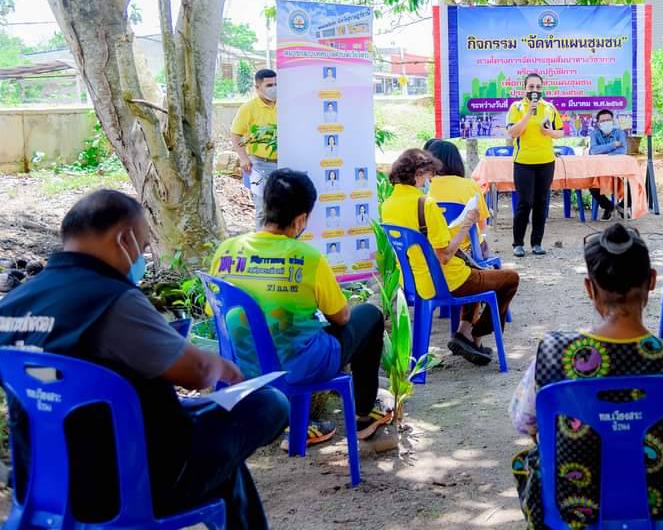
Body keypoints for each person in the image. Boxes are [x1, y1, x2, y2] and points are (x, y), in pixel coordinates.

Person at [0, 190, 288, 529]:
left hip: (41, 482)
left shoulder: (13, 305)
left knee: (217, 454)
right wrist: (223, 368)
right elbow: (196, 373)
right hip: (132, 484)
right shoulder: (111, 299)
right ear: (124, 239)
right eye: (144, 246)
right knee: (268, 402)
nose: (142, 256)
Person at [509, 223, 663, 529]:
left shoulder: (552, 354)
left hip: (574, 506)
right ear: (652, 281)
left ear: (589, 288)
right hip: (660, 504)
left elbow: (523, 421)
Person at [211, 170, 393, 451]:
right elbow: (342, 317)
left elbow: (218, 315)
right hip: (297, 368)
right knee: (369, 316)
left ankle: (298, 424)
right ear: (300, 219)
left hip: (241, 365)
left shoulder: (227, 250)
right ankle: (364, 416)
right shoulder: (307, 257)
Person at [382, 149, 519, 366]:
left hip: (414, 282)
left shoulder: (388, 205)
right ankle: (475, 334)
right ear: (418, 174)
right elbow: (445, 256)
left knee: (477, 275)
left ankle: (464, 333)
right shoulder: (425, 204)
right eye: (429, 176)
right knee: (510, 279)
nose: (430, 180)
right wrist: (466, 225)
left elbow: (423, 237)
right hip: (445, 281)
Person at [506, 73, 564, 257]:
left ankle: (537, 243)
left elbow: (560, 133)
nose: (535, 91)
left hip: (546, 161)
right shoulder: (516, 107)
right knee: (525, 203)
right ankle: (518, 243)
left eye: (538, 87)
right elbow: (513, 132)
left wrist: (549, 132)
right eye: (531, 87)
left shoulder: (549, 107)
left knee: (541, 202)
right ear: (525, 89)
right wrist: (528, 114)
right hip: (523, 162)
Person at [425, 139, 493, 258]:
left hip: (437, 251)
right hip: (471, 250)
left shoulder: (425, 190)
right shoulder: (471, 185)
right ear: (457, 161)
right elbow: (482, 225)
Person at [231, 68, 278, 227]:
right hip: (259, 164)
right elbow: (235, 135)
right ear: (258, 88)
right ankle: (261, 246)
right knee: (262, 209)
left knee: (283, 207)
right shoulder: (248, 108)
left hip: (285, 162)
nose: (274, 88)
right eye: (269, 85)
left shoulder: (285, 105)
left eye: (276, 84)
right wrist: (244, 158)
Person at [588, 108, 629, 220]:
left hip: (619, 169)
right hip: (600, 170)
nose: (606, 123)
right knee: (592, 186)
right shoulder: (594, 134)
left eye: (608, 120)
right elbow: (593, 151)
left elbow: (623, 150)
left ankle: (621, 207)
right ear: (598, 123)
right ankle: (609, 207)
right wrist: (613, 145)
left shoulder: (619, 132)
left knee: (632, 182)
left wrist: (603, 152)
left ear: (613, 121)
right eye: (603, 121)